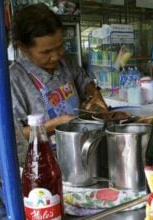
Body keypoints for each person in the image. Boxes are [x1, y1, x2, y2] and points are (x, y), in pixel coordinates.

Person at [9, 3, 108, 138]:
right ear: (23, 47)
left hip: (80, 142)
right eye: (46, 52)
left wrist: (95, 94)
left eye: (60, 46)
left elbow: (83, 80)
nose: (56, 56)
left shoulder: (65, 62)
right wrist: (56, 124)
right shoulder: (14, 79)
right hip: (45, 154)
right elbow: (15, 135)